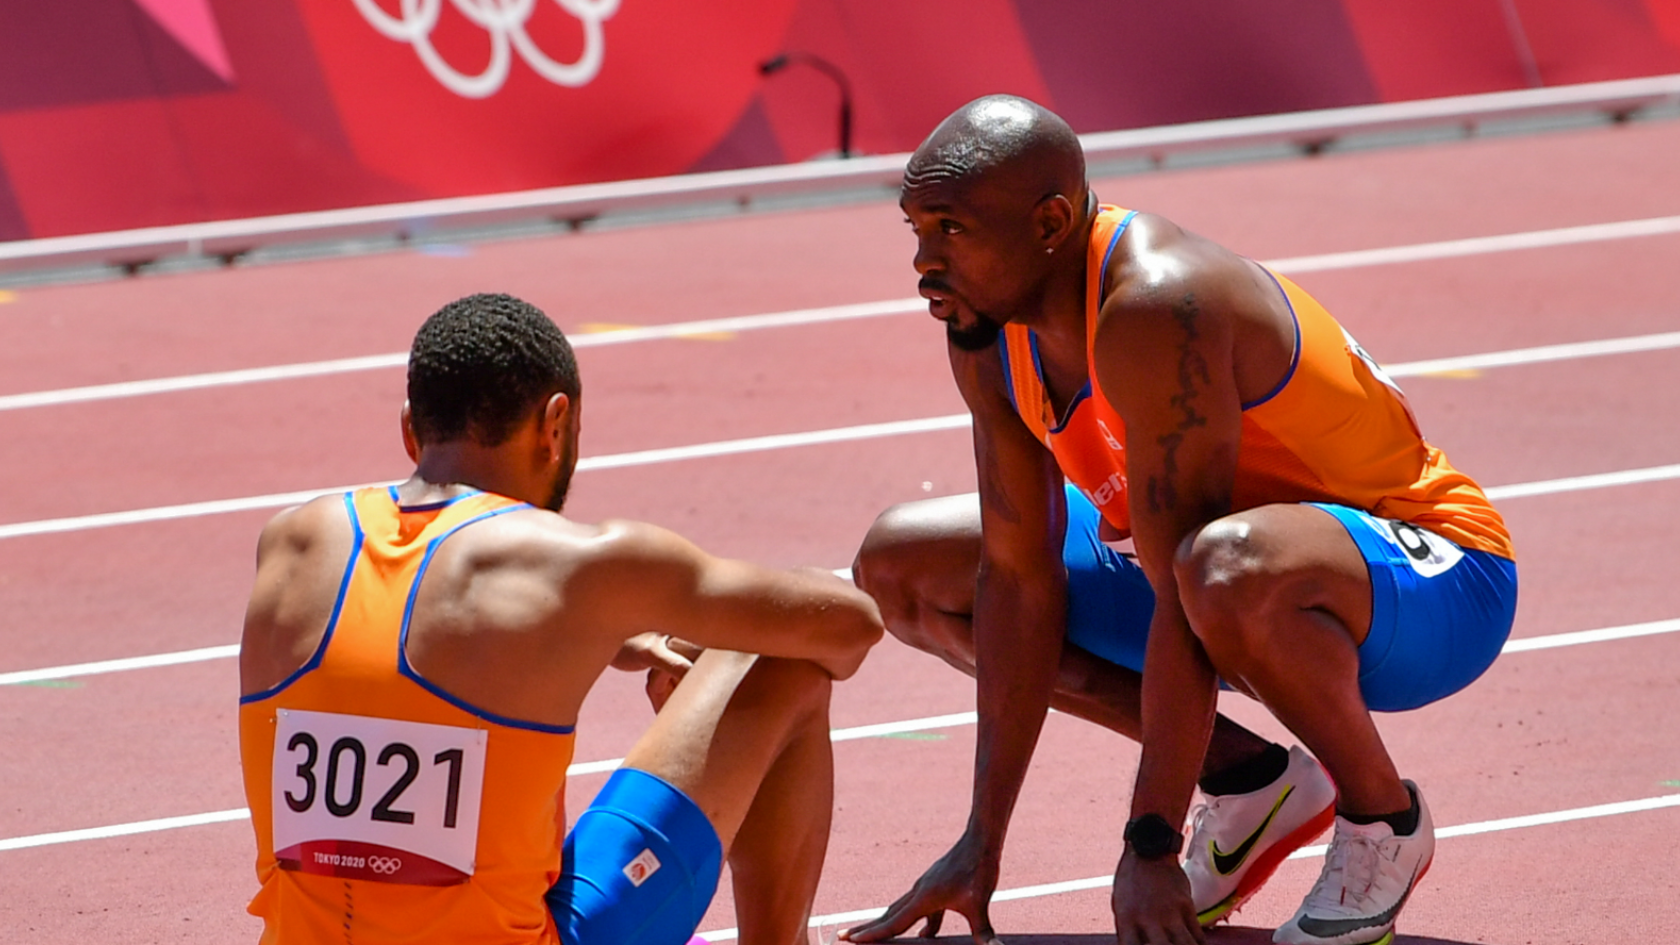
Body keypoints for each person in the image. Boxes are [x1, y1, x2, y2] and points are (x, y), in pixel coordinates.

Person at [841, 96, 1517, 945]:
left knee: (1217, 566)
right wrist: (983, 842)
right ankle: (1249, 781)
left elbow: (1182, 588)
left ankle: (1384, 818)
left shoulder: (1158, 305)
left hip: (1435, 582)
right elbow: (1017, 575)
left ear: (1050, 222)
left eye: (949, 229)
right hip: (1224, 569)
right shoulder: (986, 324)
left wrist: (1150, 845)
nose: (923, 259)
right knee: (904, 566)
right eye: (914, 228)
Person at [238, 293, 883, 945]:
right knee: (774, 652)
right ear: (555, 423)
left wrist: (592, 633)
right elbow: (849, 627)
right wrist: (656, 617)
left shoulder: (292, 540)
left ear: (411, 429)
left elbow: (388, 657)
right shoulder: (582, 565)